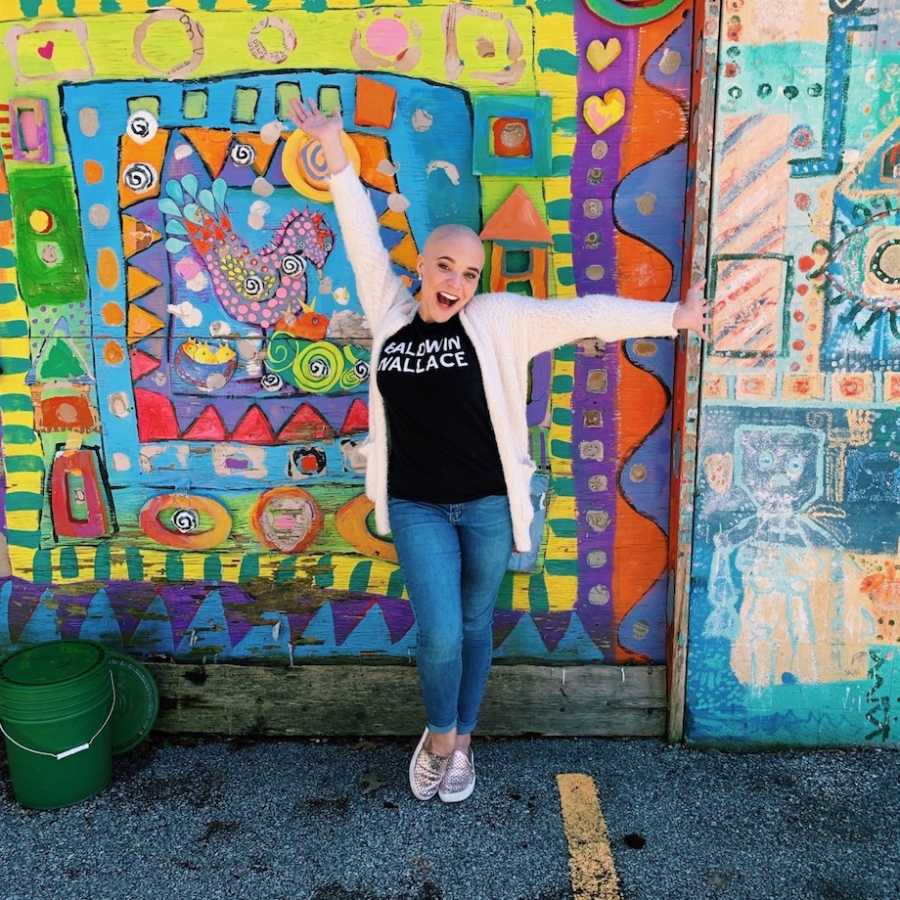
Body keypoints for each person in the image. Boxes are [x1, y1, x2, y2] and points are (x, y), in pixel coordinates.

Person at [289, 98, 711, 803]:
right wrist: (334, 148)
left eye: (469, 274)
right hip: (418, 505)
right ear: (422, 266)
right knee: (442, 633)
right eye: (445, 267)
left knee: (478, 623)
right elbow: (360, 230)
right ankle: (442, 736)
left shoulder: (499, 319)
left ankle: (462, 740)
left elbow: (584, 314)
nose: (455, 282)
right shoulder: (391, 315)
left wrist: (673, 317)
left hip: (487, 504)